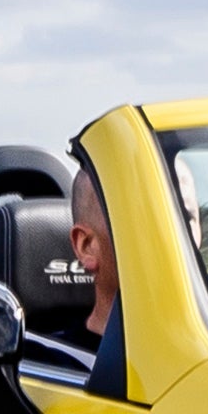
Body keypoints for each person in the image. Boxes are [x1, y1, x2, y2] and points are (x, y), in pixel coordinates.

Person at [65, 160, 126, 398]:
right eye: (148, 218)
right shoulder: (50, 363)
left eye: (187, 218)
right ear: (87, 246)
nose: (179, 238)